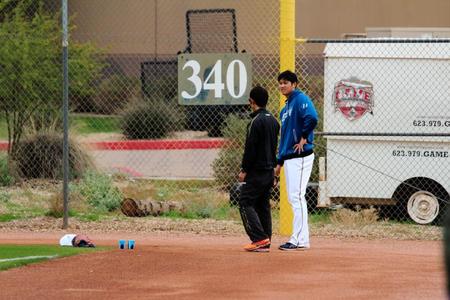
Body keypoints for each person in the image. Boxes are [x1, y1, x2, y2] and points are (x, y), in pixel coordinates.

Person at [275, 70, 318, 251]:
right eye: (280, 82)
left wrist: (304, 137)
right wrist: (279, 162)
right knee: (294, 198)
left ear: (294, 84)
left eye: (286, 82)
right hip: (290, 158)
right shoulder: (285, 108)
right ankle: (302, 239)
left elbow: (312, 118)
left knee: (297, 197)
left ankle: (297, 239)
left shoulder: (300, 99)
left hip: (301, 156)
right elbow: (284, 138)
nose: (282, 85)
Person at [238, 85, 280, 252]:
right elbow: (274, 147)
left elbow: (251, 149)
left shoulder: (255, 122)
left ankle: (259, 238)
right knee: (263, 204)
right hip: (269, 170)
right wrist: (274, 174)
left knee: (245, 202)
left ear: (251, 101)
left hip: (257, 171)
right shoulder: (274, 121)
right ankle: (266, 239)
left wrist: (244, 170)